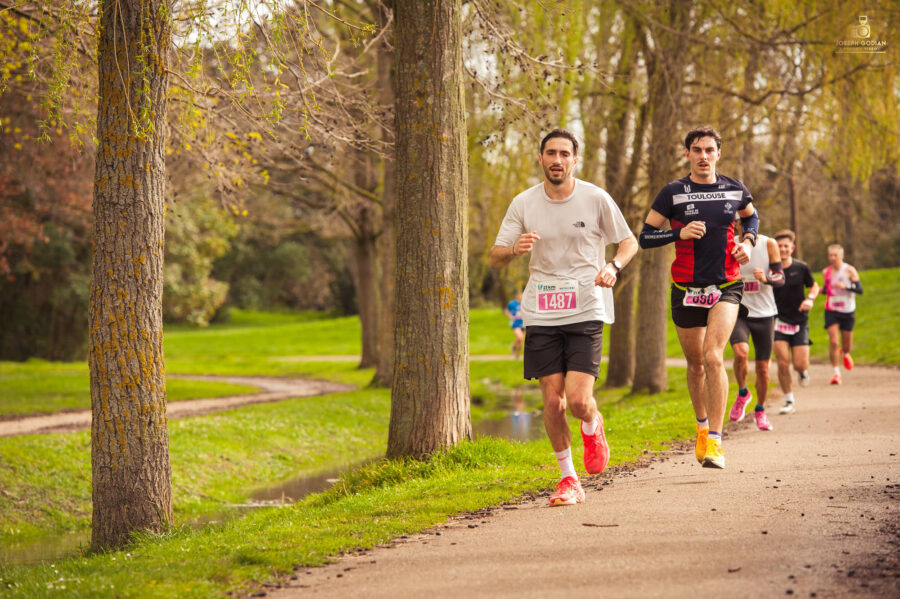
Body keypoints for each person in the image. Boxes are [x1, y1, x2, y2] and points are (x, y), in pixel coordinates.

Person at [489, 128, 638, 507]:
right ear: (540, 159)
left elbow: (628, 240)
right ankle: (568, 478)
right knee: (551, 402)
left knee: (577, 401)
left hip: (587, 304)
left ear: (575, 159)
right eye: (550, 153)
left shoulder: (595, 198)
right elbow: (495, 254)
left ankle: (593, 424)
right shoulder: (523, 202)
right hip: (540, 308)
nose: (557, 160)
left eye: (564, 154)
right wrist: (513, 250)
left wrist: (614, 266)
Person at [638, 125, 757, 470]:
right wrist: (678, 232)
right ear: (688, 154)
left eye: (709, 150)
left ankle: (716, 442)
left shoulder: (735, 189)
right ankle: (702, 427)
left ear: (718, 153)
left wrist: (747, 243)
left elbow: (752, 219)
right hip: (686, 289)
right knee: (695, 365)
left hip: (726, 285)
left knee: (714, 357)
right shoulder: (672, 193)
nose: (703, 156)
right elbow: (645, 237)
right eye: (697, 150)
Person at [728, 233, 783, 430]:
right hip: (738, 310)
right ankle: (743, 393)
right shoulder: (730, 242)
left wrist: (766, 278)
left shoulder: (769, 244)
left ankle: (760, 410)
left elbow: (780, 277)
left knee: (763, 369)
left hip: (765, 313)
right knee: (740, 353)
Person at [771, 230, 819, 414]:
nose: (782, 249)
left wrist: (810, 299)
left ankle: (802, 371)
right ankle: (789, 400)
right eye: (779, 246)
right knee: (782, 362)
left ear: (792, 248)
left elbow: (814, 285)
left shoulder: (801, 267)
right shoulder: (770, 268)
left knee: (799, 364)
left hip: (799, 321)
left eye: (786, 246)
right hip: (778, 321)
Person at [822, 244, 862, 385]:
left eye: (835, 255)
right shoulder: (826, 272)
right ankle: (836, 373)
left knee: (846, 345)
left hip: (847, 310)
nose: (832, 258)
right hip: (832, 310)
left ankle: (845, 353)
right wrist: (819, 290)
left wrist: (846, 286)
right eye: (830, 255)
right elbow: (827, 289)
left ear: (841, 256)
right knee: (833, 342)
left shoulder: (849, 270)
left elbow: (860, 289)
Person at [504, 291, 525, 359]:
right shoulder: (512, 303)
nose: (521, 297)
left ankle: (517, 354)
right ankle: (513, 346)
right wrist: (510, 317)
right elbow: (506, 311)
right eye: (520, 295)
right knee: (520, 337)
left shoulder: (524, 303)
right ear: (517, 296)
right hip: (515, 324)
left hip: (523, 323)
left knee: (521, 341)